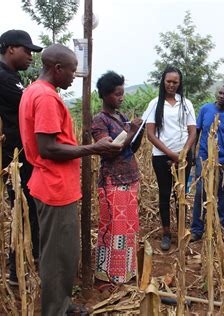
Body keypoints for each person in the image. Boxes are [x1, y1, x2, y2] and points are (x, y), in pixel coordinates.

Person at [19, 44, 122, 316]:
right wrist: (93, 149)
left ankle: (62, 305)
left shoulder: (33, 91)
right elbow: (49, 148)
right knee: (57, 257)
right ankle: (55, 310)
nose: (74, 77)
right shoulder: (46, 98)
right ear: (57, 69)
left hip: (50, 184)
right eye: (72, 71)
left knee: (62, 253)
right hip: (54, 187)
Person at [0, 29, 43, 285]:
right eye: (27, 50)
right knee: (22, 210)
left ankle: (29, 262)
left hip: (21, 157)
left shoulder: (11, 76)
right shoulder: (1, 77)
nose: (31, 56)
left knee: (28, 209)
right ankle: (16, 272)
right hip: (13, 159)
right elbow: (31, 105)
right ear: (11, 48)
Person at [91, 71, 144, 285]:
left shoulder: (120, 118)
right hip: (113, 180)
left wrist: (137, 132)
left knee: (128, 227)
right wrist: (131, 130)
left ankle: (125, 270)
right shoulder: (99, 121)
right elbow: (110, 150)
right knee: (114, 227)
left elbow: (131, 148)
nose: (121, 98)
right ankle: (108, 274)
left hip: (130, 177)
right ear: (104, 95)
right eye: (117, 94)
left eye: (122, 94)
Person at [145, 66, 196, 251]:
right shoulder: (154, 104)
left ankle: (181, 231)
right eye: (168, 81)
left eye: (175, 82)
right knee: (165, 194)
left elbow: (192, 132)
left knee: (180, 194)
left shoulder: (186, 104)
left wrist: (183, 153)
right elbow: (150, 134)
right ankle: (166, 233)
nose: (171, 85)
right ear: (163, 82)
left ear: (179, 83)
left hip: (184, 157)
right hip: (161, 157)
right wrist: (170, 154)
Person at [190, 84, 224, 241]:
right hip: (204, 158)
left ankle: (218, 229)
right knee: (201, 193)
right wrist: (193, 153)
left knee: (223, 195)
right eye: (220, 93)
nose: (222, 96)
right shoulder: (205, 109)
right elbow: (197, 132)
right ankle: (197, 229)